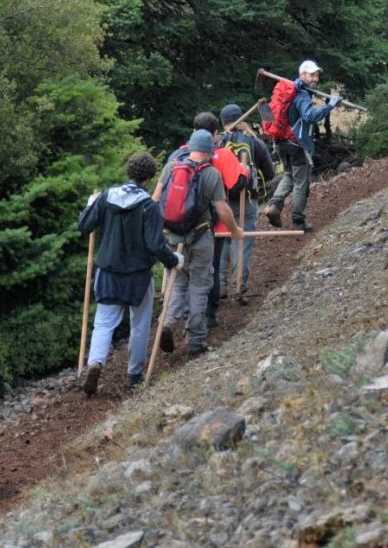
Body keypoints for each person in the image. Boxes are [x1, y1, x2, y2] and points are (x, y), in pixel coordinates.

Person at [77, 152, 181, 396]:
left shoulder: (105, 197)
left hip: (108, 270)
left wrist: (91, 204)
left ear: (129, 172)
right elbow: (155, 245)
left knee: (103, 321)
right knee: (140, 323)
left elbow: (84, 225)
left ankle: (96, 363)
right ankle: (134, 376)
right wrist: (174, 260)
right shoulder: (149, 206)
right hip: (137, 275)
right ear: (149, 178)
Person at [165, 128, 242, 355]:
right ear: (209, 151)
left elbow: (156, 200)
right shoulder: (211, 174)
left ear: (189, 147)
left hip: (172, 238)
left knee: (177, 283)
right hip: (200, 237)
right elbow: (222, 209)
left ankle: (168, 322)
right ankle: (195, 341)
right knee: (200, 286)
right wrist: (235, 230)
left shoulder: (171, 168)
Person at [264, 59, 341, 232]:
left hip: (281, 142)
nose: (316, 79)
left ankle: (273, 205)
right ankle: (298, 221)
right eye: (312, 75)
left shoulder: (288, 92)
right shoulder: (301, 94)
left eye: (317, 75)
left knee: (289, 175)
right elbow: (309, 117)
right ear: (302, 75)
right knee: (301, 182)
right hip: (296, 144)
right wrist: (330, 106)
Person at [217, 103, 277, 296]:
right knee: (242, 241)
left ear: (223, 121)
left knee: (222, 240)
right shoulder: (254, 142)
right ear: (242, 119)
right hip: (248, 200)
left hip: (221, 199)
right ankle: (239, 286)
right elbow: (270, 173)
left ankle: (219, 286)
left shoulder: (217, 142)